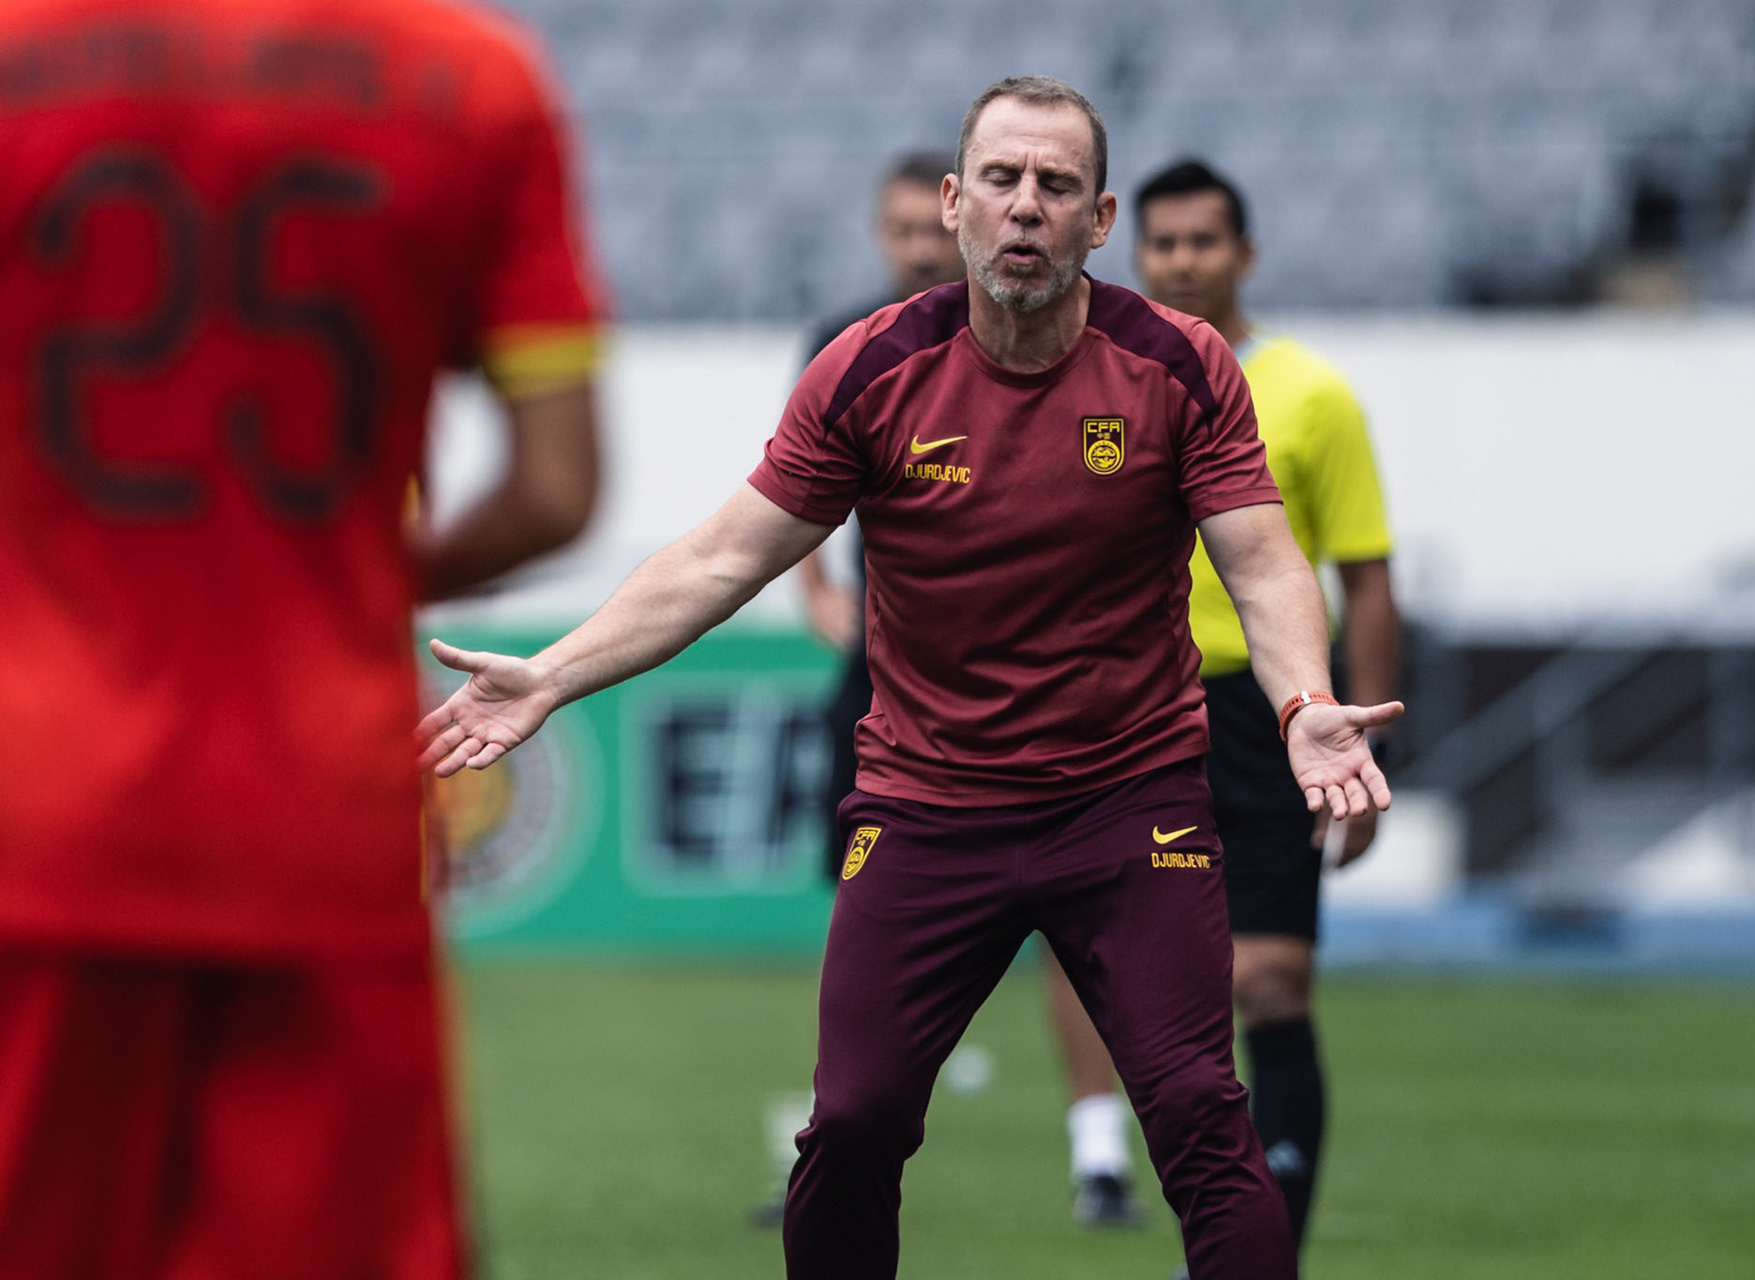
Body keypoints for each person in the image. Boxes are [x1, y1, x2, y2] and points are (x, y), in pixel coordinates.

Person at [418, 77, 1400, 1280]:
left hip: (1129, 802)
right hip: (929, 812)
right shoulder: (872, 367)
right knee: (854, 1122)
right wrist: (551, 674)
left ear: (1099, 220)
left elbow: (1263, 558)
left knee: (1202, 1113)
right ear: (953, 202)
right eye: (1002, 178)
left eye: (1056, 185)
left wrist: (1304, 702)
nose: (1025, 205)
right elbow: (725, 554)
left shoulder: (1179, 364)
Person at [0, 2, 602, 1274]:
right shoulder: (474, 80)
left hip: (36, 803)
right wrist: (346, 580)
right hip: (323, 808)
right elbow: (557, 488)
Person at [1041, 158, 1402, 1262]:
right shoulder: (1089, 377)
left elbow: (1367, 579)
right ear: (1131, 248)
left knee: (1270, 979)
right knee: (1123, 971)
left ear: (1244, 254)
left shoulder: (1314, 396)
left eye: (1204, 241)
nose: (1183, 261)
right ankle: (1125, 1166)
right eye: (1164, 242)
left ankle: (1266, 1247)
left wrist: (1362, 741)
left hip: (1265, 708)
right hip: (1125, 702)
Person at [793, 150, 967, 881]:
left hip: (1008, 654)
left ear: (963, 223)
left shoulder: (1020, 336)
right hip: (882, 650)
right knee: (863, 870)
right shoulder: (845, 341)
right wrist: (815, 590)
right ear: (879, 233)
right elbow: (794, 480)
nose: (922, 249)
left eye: (934, 230)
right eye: (904, 230)